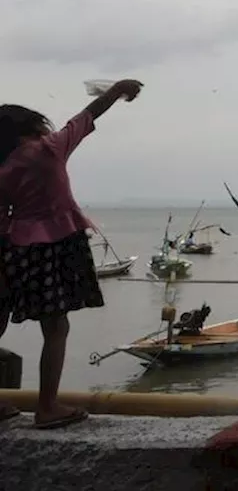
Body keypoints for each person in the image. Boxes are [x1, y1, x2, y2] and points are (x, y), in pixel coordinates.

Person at [0, 79, 143, 428]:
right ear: (32, 125)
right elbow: (86, 117)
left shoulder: (3, 169)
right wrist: (116, 91)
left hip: (14, 248)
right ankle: (47, 406)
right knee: (56, 328)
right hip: (56, 244)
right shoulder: (49, 148)